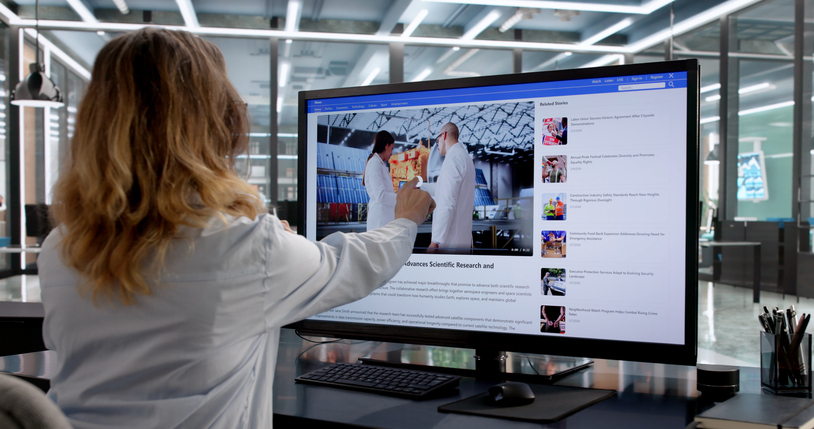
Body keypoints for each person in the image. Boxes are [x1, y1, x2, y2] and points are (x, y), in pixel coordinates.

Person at [38, 28, 435, 429]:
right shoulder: (242, 247)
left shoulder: (60, 250)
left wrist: (268, 249)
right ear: (215, 123)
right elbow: (354, 263)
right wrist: (407, 220)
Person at [428, 122, 475, 253]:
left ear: (443, 135)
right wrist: (420, 187)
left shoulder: (452, 160)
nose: (437, 145)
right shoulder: (465, 158)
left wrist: (435, 241)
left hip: (450, 242)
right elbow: (443, 189)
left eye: (437, 140)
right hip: (462, 238)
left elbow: (446, 203)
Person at [362, 131, 397, 231]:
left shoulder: (380, 164)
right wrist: (400, 198)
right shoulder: (374, 164)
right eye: (391, 149)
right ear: (386, 145)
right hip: (380, 223)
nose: (391, 153)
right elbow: (381, 196)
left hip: (384, 221)